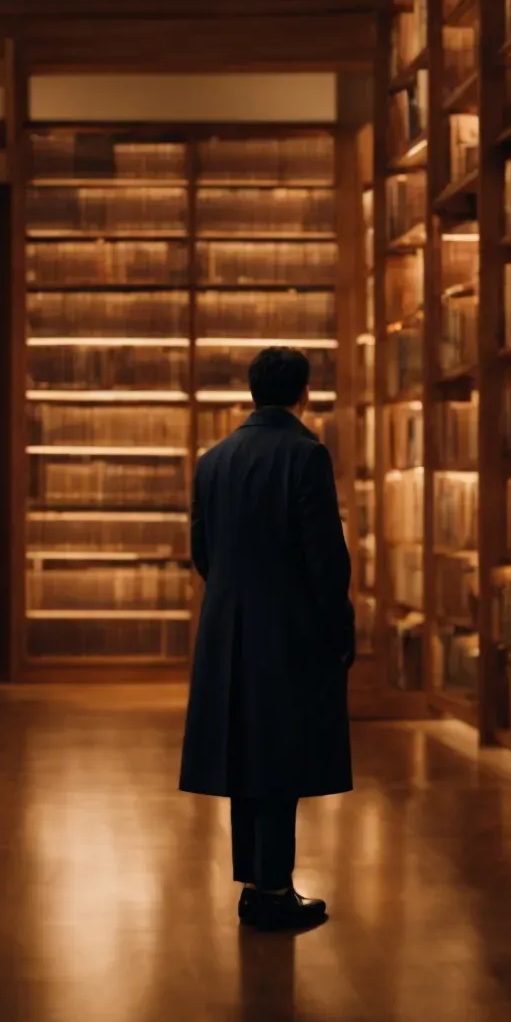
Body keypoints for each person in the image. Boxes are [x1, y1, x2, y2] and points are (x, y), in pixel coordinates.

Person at [179, 346, 355, 932]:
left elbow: (202, 553)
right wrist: (338, 630)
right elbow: (325, 558)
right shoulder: (306, 456)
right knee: (280, 762)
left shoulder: (213, 460)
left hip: (226, 630)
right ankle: (274, 891)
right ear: (304, 391)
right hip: (289, 631)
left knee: (243, 759)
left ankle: (257, 885)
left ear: (252, 391)